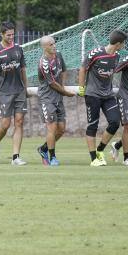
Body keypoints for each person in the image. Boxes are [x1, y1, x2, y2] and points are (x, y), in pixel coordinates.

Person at [78, 30, 126, 166]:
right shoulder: (95, 54)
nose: (123, 46)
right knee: (93, 125)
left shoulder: (116, 56)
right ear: (118, 44)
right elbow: (82, 68)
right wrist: (82, 88)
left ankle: (100, 150)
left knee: (115, 122)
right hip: (92, 95)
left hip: (108, 96)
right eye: (123, 43)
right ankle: (93, 159)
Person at [0, 21, 28, 165]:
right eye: (8, 35)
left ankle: (15, 157)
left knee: (19, 122)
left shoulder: (18, 49)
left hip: (20, 91)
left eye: (13, 34)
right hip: (4, 92)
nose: (11, 37)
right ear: (2, 34)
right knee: (5, 124)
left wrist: (26, 88)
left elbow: (23, 69)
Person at [35, 36, 75, 166]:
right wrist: (66, 93)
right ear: (44, 47)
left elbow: (63, 70)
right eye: (51, 44)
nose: (54, 46)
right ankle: (52, 157)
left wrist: (62, 86)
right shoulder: (43, 63)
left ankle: (43, 149)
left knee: (61, 129)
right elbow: (52, 83)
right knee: (52, 128)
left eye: (54, 43)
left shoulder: (58, 55)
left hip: (58, 97)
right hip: (47, 99)